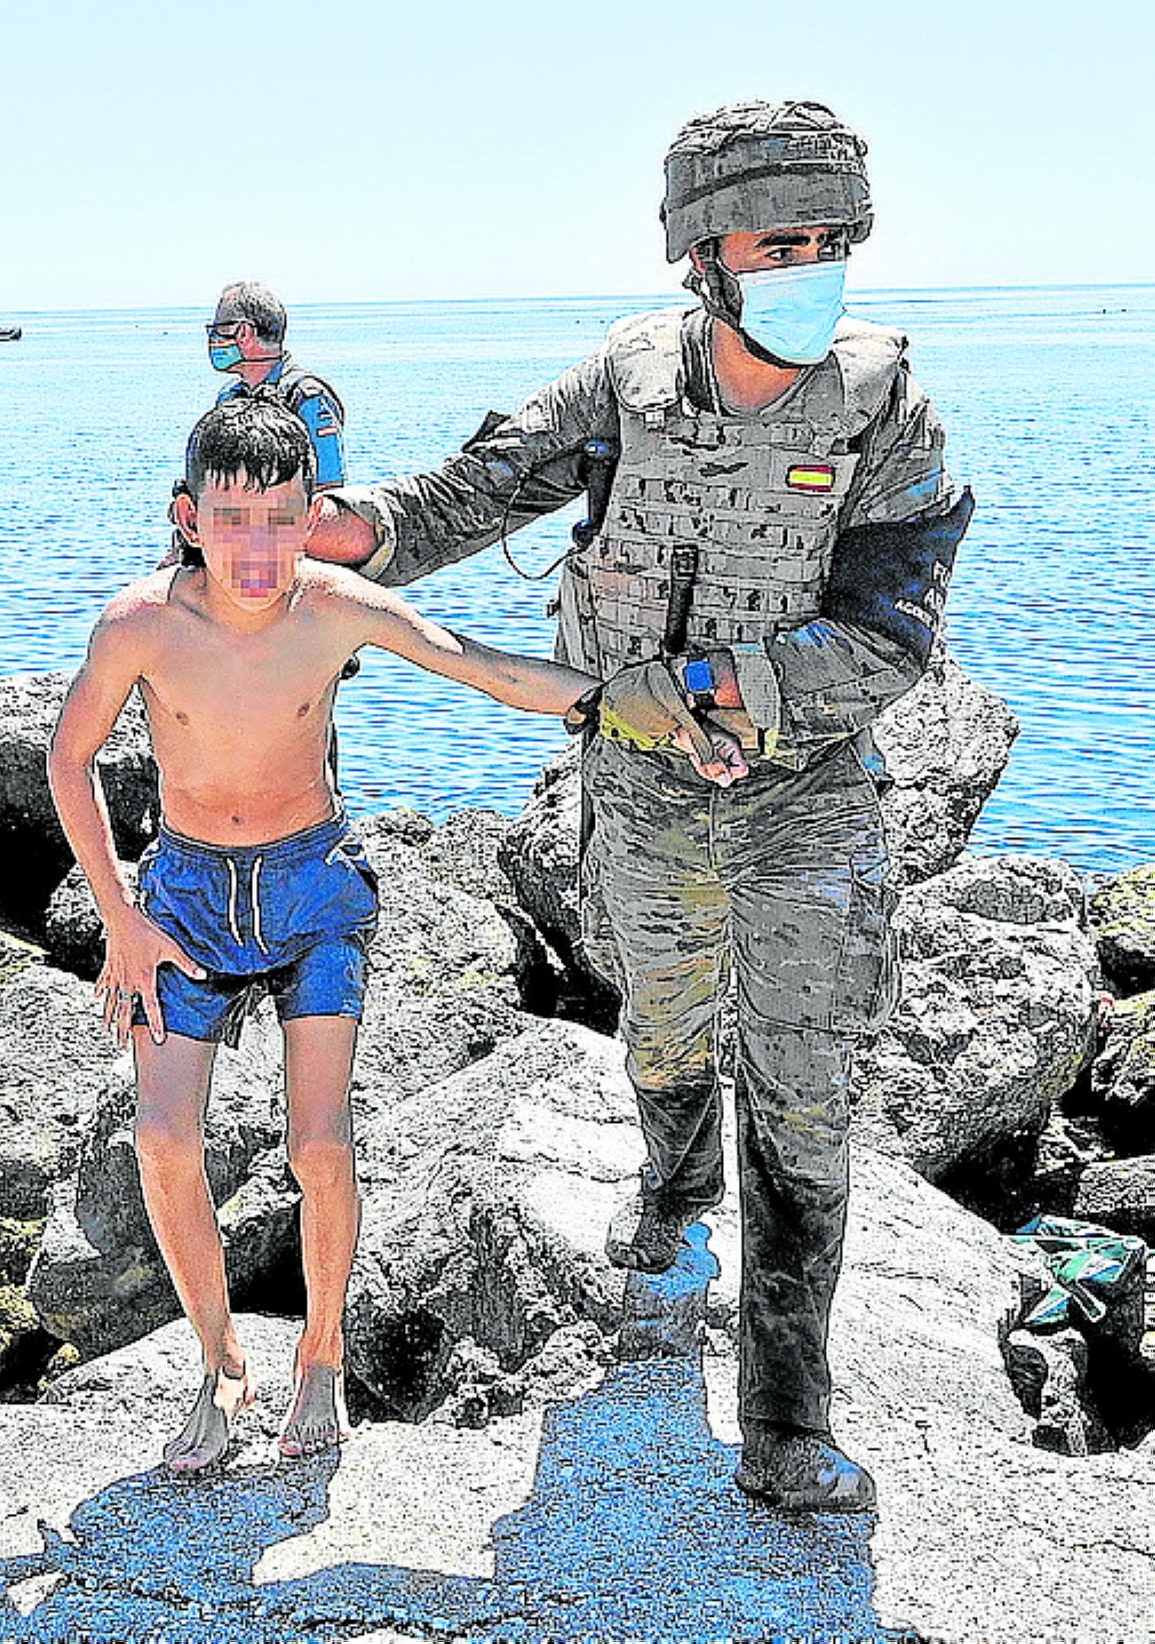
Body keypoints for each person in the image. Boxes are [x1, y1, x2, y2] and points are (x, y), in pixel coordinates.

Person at [305, 99, 974, 1513]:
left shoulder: (886, 407)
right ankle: (674, 1188)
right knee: (665, 1017)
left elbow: (895, 629)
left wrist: (720, 684)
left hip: (807, 791)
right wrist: (331, 534)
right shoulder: (624, 383)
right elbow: (468, 496)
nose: (809, 267)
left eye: (829, 240)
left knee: (807, 1082)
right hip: (643, 783)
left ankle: (786, 1418)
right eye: (777, 244)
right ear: (703, 256)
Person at [48, 397, 744, 1476]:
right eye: (231, 522)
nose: (257, 550)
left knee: (320, 1148)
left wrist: (638, 706)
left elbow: (483, 666)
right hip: (183, 900)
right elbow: (69, 758)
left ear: (313, 517)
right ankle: (220, 1365)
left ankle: (320, 1353)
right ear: (189, 518)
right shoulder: (139, 624)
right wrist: (121, 921)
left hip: (312, 890)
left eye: (280, 520)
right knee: (163, 1141)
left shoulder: (334, 606)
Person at [207, 280, 347, 486]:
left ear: (244, 332)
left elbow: (329, 489)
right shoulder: (228, 396)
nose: (213, 338)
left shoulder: (306, 398)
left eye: (218, 329)